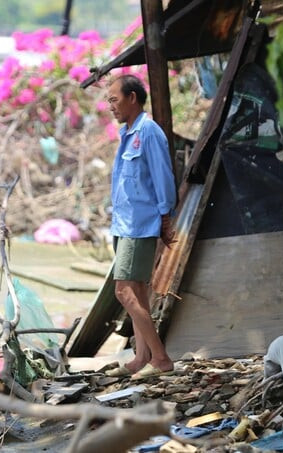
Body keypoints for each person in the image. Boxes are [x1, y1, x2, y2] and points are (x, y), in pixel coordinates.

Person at [105, 74, 177, 379]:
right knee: (136, 289)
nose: (111, 106)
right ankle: (141, 356)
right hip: (123, 223)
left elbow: (163, 177)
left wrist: (164, 217)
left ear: (132, 97)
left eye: (114, 99)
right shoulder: (127, 132)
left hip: (140, 225)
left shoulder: (148, 132)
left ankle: (160, 358)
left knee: (123, 291)